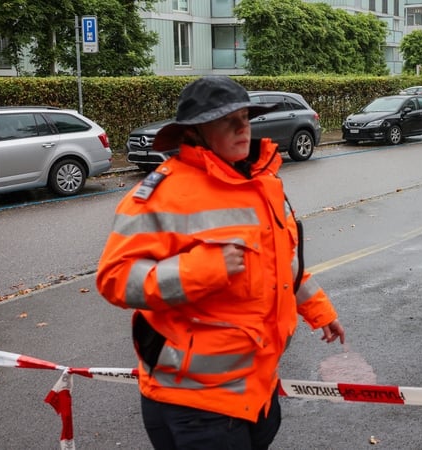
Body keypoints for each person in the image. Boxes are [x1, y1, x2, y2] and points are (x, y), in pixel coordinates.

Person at [95, 75, 345, 449]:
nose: (242, 128)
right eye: (228, 120)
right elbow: (115, 279)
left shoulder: (263, 183)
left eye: (245, 117)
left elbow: (282, 263)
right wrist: (205, 269)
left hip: (256, 391)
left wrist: (319, 310)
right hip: (193, 402)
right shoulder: (161, 194)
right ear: (195, 131)